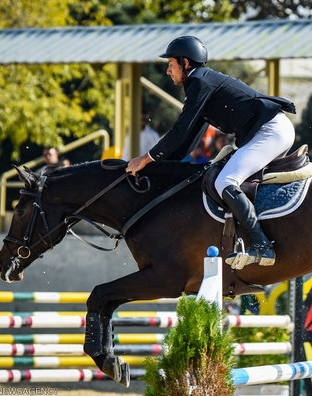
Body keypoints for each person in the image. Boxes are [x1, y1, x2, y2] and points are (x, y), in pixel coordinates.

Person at [125, 36, 296, 268]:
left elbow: (179, 130)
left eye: (170, 64)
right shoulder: (201, 84)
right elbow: (188, 139)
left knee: (225, 181)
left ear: (185, 63)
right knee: (224, 177)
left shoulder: (199, 82)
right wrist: (163, 169)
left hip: (270, 131)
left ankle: (262, 245)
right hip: (269, 130)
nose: (167, 71)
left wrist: (146, 159)